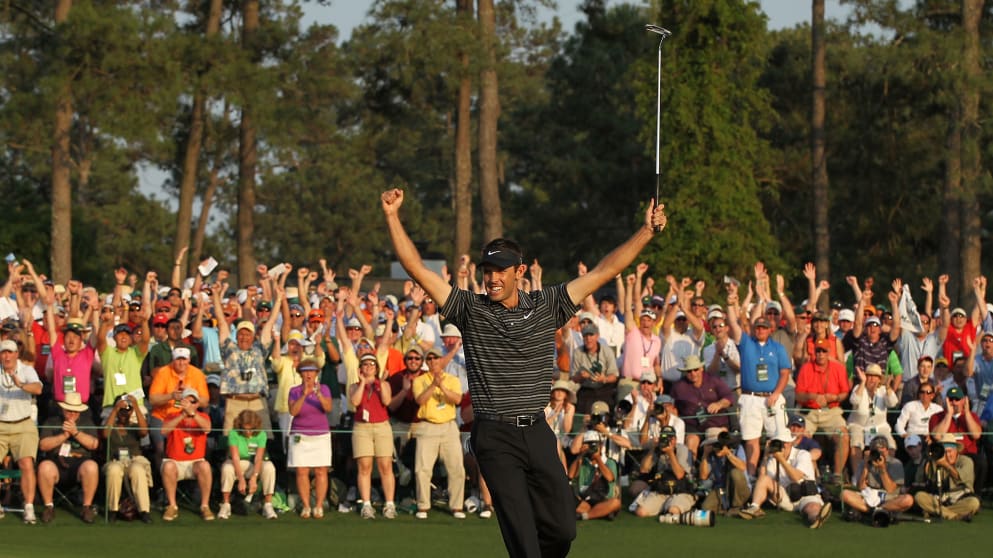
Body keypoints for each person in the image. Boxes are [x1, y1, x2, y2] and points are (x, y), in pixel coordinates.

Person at [382, 187, 666, 558]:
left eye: (500, 270)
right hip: (494, 436)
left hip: (536, 431)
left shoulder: (547, 304)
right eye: (487, 271)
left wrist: (646, 231)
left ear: (519, 271)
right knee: (522, 539)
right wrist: (391, 216)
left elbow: (604, 270)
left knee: (563, 531)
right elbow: (417, 269)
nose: (492, 278)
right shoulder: (469, 308)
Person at [726, 283, 791, 477]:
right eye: (758, 327)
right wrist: (730, 304)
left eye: (764, 327)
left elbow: (785, 373)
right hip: (750, 398)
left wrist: (777, 394)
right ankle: (752, 478)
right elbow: (733, 324)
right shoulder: (746, 343)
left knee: (778, 438)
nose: (760, 330)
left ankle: (777, 476)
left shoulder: (778, 348)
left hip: (772, 397)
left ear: (770, 329)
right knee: (751, 440)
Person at [411, 346, 466, 519]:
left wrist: (441, 385)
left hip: (449, 426)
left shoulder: (452, 379)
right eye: (430, 359)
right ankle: (423, 505)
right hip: (428, 426)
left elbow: (457, 399)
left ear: (442, 360)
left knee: (457, 468)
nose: (433, 362)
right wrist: (433, 385)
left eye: (436, 358)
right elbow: (420, 400)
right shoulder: (419, 380)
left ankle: (457, 506)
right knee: (422, 469)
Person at [739, 437, 832, 529]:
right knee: (764, 479)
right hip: (786, 496)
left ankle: (816, 518)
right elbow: (762, 479)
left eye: (785, 442)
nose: (783, 446)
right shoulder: (772, 458)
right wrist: (765, 456)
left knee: (812, 507)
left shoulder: (803, 454)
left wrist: (781, 460)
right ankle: (754, 508)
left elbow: (796, 477)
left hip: (806, 494)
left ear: (790, 443)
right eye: (780, 443)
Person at [37, 392, 100, 523]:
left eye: (75, 411)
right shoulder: (52, 421)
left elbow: (94, 444)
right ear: (63, 409)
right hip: (56, 461)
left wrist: (75, 433)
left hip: (80, 462)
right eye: (69, 410)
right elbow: (43, 445)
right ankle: (48, 507)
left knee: (91, 466)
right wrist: (64, 436)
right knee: (44, 467)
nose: (72, 414)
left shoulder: (87, 422)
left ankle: (86, 507)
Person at [348, 353, 397, 519]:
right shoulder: (354, 386)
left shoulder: (383, 385)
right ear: (360, 368)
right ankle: (366, 504)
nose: (368, 367)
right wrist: (363, 383)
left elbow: (387, 400)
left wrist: (381, 382)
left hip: (382, 426)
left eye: (371, 364)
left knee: (385, 466)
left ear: (376, 368)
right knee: (364, 466)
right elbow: (355, 402)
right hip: (362, 427)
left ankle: (389, 504)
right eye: (365, 364)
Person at [0, 338, 42, 523]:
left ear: (17, 354)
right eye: (3, 352)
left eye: (10, 352)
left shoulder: (26, 370)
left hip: (23, 423)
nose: (7, 356)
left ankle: (29, 507)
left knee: (26, 463)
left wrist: (21, 385)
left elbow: (38, 388)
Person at [794, 343, 851, 479]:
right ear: (814, 353)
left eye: (823, 351)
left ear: (829, 353)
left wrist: (834, 397)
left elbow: (844, 393)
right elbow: (798, 395)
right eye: (818, 351)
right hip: (808, 411)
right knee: (798, 436)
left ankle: (837, 475)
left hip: (831, 411)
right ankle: (808, 476)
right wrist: (812, 396)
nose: (820, 354)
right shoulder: (806, 368)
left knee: (843, 436)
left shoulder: (838, 368)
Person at [287, 359, 333, 519]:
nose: (308, 374)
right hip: (300, 434)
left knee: (321, 471)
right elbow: (293, 411)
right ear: (300, 374)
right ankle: (306, 506)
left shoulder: (324, 389)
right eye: (305, 371)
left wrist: (318, 393)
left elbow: (328, 408)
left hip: (320, 435)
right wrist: (304, 395)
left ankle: (319, 506)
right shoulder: (294, 391)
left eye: (311, 371)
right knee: (302, 470)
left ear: (316, 373)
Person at [160, 388, 214, 522]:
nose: (191, 404)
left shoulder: (203, 417)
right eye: (187, 401)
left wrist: (193, 414)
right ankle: (172, 505)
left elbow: (207, 428)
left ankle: (205, 506)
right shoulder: (172, 415)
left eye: (194, 401)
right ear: (182, 402)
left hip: (195, 462)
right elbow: (164, 431)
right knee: (168, 466)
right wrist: (183, 415)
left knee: (205, 466)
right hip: (175, 461)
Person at [669, 354, 733, 458]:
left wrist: (719, 404)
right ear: (685, 372)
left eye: (695, 369)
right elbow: (672, 406)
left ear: (701, 368)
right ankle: (690, 471)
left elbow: (729, 397)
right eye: (689, 371)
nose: (693, 373)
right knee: (691, 442)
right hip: (693, 425)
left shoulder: (714, 380)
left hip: (715, 422)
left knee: (718, 442)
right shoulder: (678, 387)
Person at [102, 393, 153, 523]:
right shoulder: (111, 426)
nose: (124, 413)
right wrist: (115, 409)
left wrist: (135, 406)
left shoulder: (134, 427)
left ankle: (144, 510)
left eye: (127, 410)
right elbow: (105, 434)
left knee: (137, 469)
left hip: (133, 459)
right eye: (122, 410)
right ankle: (112, 509)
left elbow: (144, 431)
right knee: (114, 469)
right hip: (115, 460)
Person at [218, 409, 277, 520]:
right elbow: (235, 457)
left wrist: (254, 477)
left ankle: (268, 504)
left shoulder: (261, 435)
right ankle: (226, 504)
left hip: (254, 464)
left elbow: (259, 457)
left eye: (251, 429)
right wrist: (241, 479)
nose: (248, 432)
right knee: (227, 467)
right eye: (245, 429)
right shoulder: (234, 434)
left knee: (269, 467)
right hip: (238, 462)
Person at [840, 436, 913, 521]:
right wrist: (866, 466)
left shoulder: (895, 463)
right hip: (869, 496)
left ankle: (877, 510)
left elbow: (890, 489)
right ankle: (877, 511)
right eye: (877, 451)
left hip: (888, 498)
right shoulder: (864, 463)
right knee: (844, 494)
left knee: (908, 500)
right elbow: (860, 487)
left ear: (887, 450)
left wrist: (882, 469)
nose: (880, 454)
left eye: (882, 450)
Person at [630, 425, 694, 519]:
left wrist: (670, 453)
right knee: (641, 512)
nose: (667, 441)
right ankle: (663, 506)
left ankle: (672, 505)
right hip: (661, 490)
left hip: (680, 490)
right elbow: (643, 469)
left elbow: (680, 475)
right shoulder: (657, 450)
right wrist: (652, 449)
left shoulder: (682, 449)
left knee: (673, 511)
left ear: (675, 440)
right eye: (664, 438)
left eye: (670, 438)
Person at [914, 433, 981, 520]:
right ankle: (955, 516)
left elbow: (958, 477)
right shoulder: (936, 461)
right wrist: (927, 462)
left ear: (956, 450)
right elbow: (919, 479)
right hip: (939, 499)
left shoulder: (966, 461)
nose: (948, 455)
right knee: (919, 496)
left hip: (960, 498)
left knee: (974, 503)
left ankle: (936, 512)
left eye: (950, 451)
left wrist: (945, 464)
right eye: (944, 452)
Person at [847, 363, 898, 474]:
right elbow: (854, 401)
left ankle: (886, 474)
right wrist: (862, 382)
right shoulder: (859, 387)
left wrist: (889, 387)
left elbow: (893, 403)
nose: (872, 379)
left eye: (875, 376)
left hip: (879, 426)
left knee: (891, 445)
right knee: (856, 444)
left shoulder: (883, 390)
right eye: (869, 376)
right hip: (858, 425)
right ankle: (856, 476)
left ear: (880, 379)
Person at [569, 430, 621, 521]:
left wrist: (598, 459)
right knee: (567, 497)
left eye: (594, 445)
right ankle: (600, 513)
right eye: (588, 445)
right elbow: (570, 476)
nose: (591, 448)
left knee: (616, 503)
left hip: (604, 499)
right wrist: (580, 456)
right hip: (585, 500)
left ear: (600, 446)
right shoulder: (582, 461)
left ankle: (583, 516)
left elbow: (610, 478)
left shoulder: (609, 462)